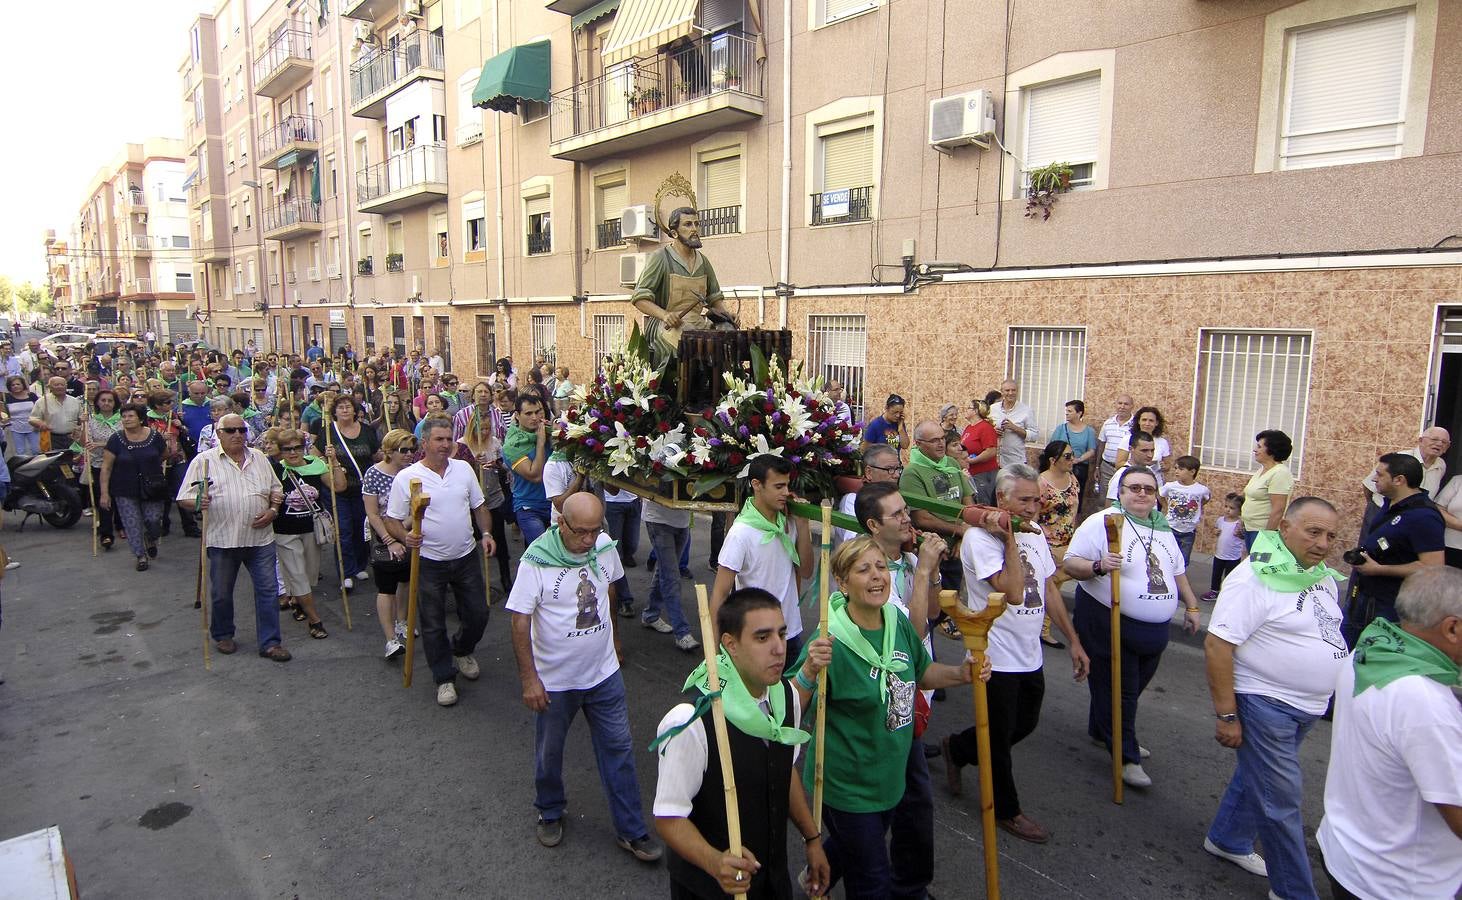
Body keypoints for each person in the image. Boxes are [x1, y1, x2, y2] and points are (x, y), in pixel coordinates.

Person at [792, 535, 986, 899]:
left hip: (889, 779)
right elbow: (792, 710)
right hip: (847, 786)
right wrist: (807, 672)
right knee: (873, 882)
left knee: (856, 849)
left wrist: (962, 674)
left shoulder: (895, 620)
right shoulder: (828, 641)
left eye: (881, 567)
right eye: (863, 570)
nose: (877, 576)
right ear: (842, 582)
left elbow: (920, 672)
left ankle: (816, 878)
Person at [506, 492, 663, 862]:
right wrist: (530, 680)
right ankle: (549, 809)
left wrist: (617, 642)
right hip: (556, 681)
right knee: (550, 751)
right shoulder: (536, 561)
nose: (589, 540)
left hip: (603, 675)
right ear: (561, 522)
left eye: (595, 531)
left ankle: (631, 830)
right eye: (581, 532)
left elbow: (609, 588)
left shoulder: (603, 546)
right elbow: (519, 620)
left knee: (619, 750)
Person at [1203, 498, 1347, 898]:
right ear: (1285, 527)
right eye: (1313, 532)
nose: (1322, 543)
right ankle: (1294, 891)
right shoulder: (1254, 577)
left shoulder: (1317, 574)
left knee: (1261, 780)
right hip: (1266, 703)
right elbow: (1217, 645)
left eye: (1330, 535)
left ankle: (1228, 838)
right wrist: (1227, 716)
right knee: (1281, 800)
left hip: (1306, 706)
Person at [651, 587, 829, 899]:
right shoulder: (692, 721)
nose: (779, 648)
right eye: (762, 637)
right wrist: (714, 861)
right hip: (711, 888)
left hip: (772, 881)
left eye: (781, 633)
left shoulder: (785, 698)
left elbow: (783, 773)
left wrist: (812, 839)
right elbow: (669, 817)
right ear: (730, 644)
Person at [942, 465, 1088, 843]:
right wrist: (1008, 538)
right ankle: (1006, 809)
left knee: (1023, 724)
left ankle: (958, 747)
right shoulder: (980, 538)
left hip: (1029, 652)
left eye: (1036, 499)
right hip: (995, 653)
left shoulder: (1036, 532)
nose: (1032, 508)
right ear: (1001, 499)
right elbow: (1013, 592)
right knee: (999, 737)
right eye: (1023, 500)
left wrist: (1072, 639)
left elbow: (1049, 588)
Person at [1316, 567, 1462, 900]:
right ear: (1452, 628)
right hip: (1397, 883)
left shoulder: (1372, 649)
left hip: (1350, 850)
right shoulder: (1425, 702)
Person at [1062, 465, 1202, 787]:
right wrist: (1098, 566)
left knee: (1132, 688)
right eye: (1134, 488)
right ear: (1121, 492)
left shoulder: (1161, 526)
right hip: (1106, 618)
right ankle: (1126, 756)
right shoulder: (1104, 522)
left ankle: (1103, 728)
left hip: (1154, 631)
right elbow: (1070, 563)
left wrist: (1191, 605)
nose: (1141, 494)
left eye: (1149, 489)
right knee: (1121, 692)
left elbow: (1177, 570)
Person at [384, 420, 497, 707]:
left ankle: (461, 649)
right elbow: (392, 520)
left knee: (478, 614)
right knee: (433, 623)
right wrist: (404, 537)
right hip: (428, 561)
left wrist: (485, 533)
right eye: (438, 439)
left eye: (448, 439)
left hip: (466, 555)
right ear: (424, 443)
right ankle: (443, 677)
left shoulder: (463, 469)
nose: (445, 445)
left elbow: (479, 506)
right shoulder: (407, 477)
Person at [177, 413, 290, 661]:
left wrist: (273, 510)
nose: (237, 434)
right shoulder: (204, 461)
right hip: (222, 540)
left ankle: (270, 642)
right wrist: (198, 502)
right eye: (231, 430)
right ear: (219, 434)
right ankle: (223, 633)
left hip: (260, 539)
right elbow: (183, 497)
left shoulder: (259, 457)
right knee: (221, 593)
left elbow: (276, 490)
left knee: (268, 591)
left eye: (241, 429)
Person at [711, 455, 815, 661]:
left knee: (791, 693)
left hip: (790, 632)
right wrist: (715, 652)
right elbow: (720, 594)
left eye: (787, 485)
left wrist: (803, 526)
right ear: (756, 485)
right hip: (756, 635)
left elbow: (806, 571)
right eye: (778, 487)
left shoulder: (790, 523)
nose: (786, 492)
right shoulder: (740, 533)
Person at [1344, 452, 1445, 647]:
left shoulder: (1424, 516)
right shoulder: (1391, 504)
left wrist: (1380, 569)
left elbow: (1432, 567)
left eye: (1380, 474)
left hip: (1388, 606)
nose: (1374, 479)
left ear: (1399, 480)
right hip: (1364, 597)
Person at [630, 206, 735, 363]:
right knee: (688, 344)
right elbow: (640, 299)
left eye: (696, 224)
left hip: (697, 323)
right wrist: (665, 315)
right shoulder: (661, 258)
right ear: (674, 233)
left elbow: (714, 299)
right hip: (666, 325)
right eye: (688, 224)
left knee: (727, 335)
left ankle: (726, 382)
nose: (694, 229)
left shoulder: (703, 262)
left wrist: (726, 316)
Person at [271, 430, 347, 640]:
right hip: (284, 531)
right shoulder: (275, 469)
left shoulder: (315, 465)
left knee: (310, 574)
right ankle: (315, 619)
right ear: (281, 450)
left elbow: (339, 486)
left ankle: (297, 599)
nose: (293, 453)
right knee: (297, 574)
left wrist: (334, 461)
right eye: (287, 449)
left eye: (297, 447)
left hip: (312, 529)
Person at [901, 419, 974, 600]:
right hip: (933, 551)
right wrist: (960, 530)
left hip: (957, 547)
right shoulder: (912, 472)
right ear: (919, 444)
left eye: (942, 438)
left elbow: (968, 501)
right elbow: (921, 518)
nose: (941, 443)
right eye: (934, 440)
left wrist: (963, 535)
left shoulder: (952, 462)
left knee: (953, 600)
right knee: (933, 605)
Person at [315, 393, 381, 590]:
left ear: (355, 410)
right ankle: (346, 571)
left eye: (348, 407)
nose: (344, 410)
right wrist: (329, 461)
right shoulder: (328, 432)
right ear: (334, 412)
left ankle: (360, 565)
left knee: (362, 528)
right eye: (340, 407)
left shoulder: (367, 431)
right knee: (343, 530)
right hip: (339, 490)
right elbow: (314, 457)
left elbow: (376, 454)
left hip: (364, 488)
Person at [363, 430, 416, 658]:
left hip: (408, 531)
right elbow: (373, 513)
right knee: (387, 587)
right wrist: (389, 539)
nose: (409, 455)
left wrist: (404, 529)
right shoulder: (374, 475)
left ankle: (402, 621)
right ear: (390, 451)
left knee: (405, 581)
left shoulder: (414, 473)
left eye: (412, 450)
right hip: (382, 535)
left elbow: (417, 507)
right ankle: (390, 639)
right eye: (404, 450)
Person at [99, 403, 169, 570]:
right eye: (124, 416)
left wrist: (150, 467)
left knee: (153, 520)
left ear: (140, 418)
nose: (127, 419)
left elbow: (164, 454)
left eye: (131, 416)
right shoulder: (116, 439)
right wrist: (104, 493)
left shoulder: (154, 437)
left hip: (152, 487)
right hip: (124, 488)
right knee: (132, 523)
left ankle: (150, 538)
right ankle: (140, 555)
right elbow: (106, 467)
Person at [640, 497, 700, 652]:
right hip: (658, 521)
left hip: (682, 521)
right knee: (671, 577)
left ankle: (650, 614)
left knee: (665, 571)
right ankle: (682, 632)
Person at [1036, 440, 1080, 649]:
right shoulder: (1041, 483)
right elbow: (1034, 515)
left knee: (1055, 586)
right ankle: (1042, 630)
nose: (1073, 460)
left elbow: (1073, 511)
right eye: (1068, 457)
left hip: (1068, 543)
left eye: (1073, 455)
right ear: (1053, 460)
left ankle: (1042, 629)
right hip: (1048, 544)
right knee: (1049, 587)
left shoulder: (1072, 479)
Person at [503, 393, 554, 547]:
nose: (535, 417)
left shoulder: (548, 432)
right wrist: (540, 443)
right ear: (517, 415)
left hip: (554, 504)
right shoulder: (512, 445)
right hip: (529, 507)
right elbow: (535, 475)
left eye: (538, 412)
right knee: (544, 551)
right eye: (528, 413)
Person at [1360, 426, 1449, 507]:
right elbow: (1369, 485)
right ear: (1421, 441)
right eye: (1434, 439)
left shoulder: (1441, 465)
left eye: (1444, 442)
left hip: (1413, 515)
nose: (1439, 444)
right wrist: (1373, 506)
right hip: (1383, 509)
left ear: (1447, 447)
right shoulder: (1399, 458)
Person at [834, 444, 901, 546]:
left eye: (898, 469)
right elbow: (856, 543)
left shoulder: (896, 497)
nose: (896, 475)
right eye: (889, 469)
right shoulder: (853, 500)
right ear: (869, 472)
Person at [82, 389, 123, 549]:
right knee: (103, 498)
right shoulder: (91, 421)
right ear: (97, 403)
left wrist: (100, 444)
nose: (106, 403)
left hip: (119, 464)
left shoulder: (122, 419)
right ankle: (106, 533)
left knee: (119, 496)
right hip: (98, 463)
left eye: (110, 400)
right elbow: (84, 442)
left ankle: (121, 525)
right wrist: (82, 423)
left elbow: (122, 441)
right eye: (103, 400)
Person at [1241, 430, 1295, 549]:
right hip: (1250, 528)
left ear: (1271, 451)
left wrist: (1266, 538)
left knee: (1258, 565)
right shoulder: (1263, 470)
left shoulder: (1280, 473)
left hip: (1261, 532)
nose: (1255, 449)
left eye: (1259, 447)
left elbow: (1278, 510)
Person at [1161, 456, 1211, 565]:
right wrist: (1166, 507)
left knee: (1183, 560)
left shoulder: (1201, 489)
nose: (1177, 471)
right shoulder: (1170, 486)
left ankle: (1180, 579)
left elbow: (1207, 498)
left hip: (1188, 531)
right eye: (1176, 468)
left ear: (1192, 472)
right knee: (1168, 556)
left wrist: (1198, 507)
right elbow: (1160, 495)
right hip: (1171, 527)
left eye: (1181, 469)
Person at [1205, 493, 1247, 601]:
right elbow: (1215, 529)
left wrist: (1241, 533)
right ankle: (1214, 591)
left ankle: (1227, 593)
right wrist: (1215, 531)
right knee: (1216, 574)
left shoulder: (1240, 523)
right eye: (1226, 506)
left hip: (1233, 557)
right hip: (1219, 555)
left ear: (1240, 510)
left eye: (1232, 508)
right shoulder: (1220, 520)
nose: (1228, 510)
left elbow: (1244, 537)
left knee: (1230, 577)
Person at [1050, 399, 1096, 495]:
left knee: (1077, 493)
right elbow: (1052, 447)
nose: (1066, 414)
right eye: (1066, 411)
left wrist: (1078, 460)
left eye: (1070, 411)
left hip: (1079, 468)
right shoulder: (1060, 429)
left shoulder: (1089, 431)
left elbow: (1091, 450)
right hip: (1060, 467)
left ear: (1079, 413)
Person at [1116, 407, 1171, 485]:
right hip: (1132, 482)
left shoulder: (1163, 442)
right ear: (1138, 421)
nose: (1147, 424)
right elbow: (1118, 464)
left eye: (1151, 421)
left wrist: (1163, 466)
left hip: (1155, 483)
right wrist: (1142, 463)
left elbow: (1168, 465)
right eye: (1144, 420)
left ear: (1157, 423)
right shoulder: (1128, 439)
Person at [1095, 394, 1135, 498]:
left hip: (1127, 468)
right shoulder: (1108, 423)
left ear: (1132, 406)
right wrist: (1097, 466)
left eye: (1126, 404)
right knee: (1104, 498)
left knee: (1125, 497)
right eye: (1120, 403)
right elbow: (1101, 445)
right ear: (1116, 405)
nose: (1122, 406)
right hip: (1107, 467)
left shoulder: (1136, 425)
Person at [960, 399, 1000, 505]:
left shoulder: (985, 428)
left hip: (983, 474)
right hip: (971, 473)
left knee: (983, 502)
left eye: (969, 407)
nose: (966, 410)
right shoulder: (969, 428)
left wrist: (972, 461)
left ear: (976, 411)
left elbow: (991, 451)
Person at [991, 380, 1037, 468]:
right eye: (1007, 390)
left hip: (1015, 462)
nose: (1010, 393)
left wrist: (1014, 428)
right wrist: (993, 432)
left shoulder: (1026, 411)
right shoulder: (993, 409)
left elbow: (1034, 436)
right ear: (1002, 392)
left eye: (1013, 390)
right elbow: (985, 429)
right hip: (993, 461)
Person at [29, 376, 81, 450]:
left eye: (62, 385)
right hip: (52, 438)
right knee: (56, 460)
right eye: (56, 385)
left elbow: (81, 420)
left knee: (74, 460)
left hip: (72, 438)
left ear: (66, 386)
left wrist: (80, 426)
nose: (59, 387)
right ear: (50, 387)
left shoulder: (75, 401)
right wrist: (41, 424)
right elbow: (32, 419)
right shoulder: (42, 401)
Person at [1105, 431, 1157, 503]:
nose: (1150, 455)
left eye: (1152, 450)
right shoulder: (1121, 475)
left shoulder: (1150, 471)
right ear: (1131, 449)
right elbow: (1110, 505)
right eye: (1144, 451)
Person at [861, 394, 908, 461]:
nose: (898, 415)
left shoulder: (899, 423)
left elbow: (905, 445)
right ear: (886, 408)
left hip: (895, 464)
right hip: (880, 465)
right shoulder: (875, 425)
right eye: (895, 412)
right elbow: (864, 449)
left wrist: (900, 428)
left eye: (900, 413)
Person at [4, 375, 39, 456]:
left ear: (23, 384)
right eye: (13, 385)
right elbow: (5, 414)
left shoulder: (31, 396)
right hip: (15, 428)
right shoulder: (6, 398)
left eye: (18, 384)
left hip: (33, 426)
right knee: (20, 452)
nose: (15, 386)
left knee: (36, 450)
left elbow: (39, 410)